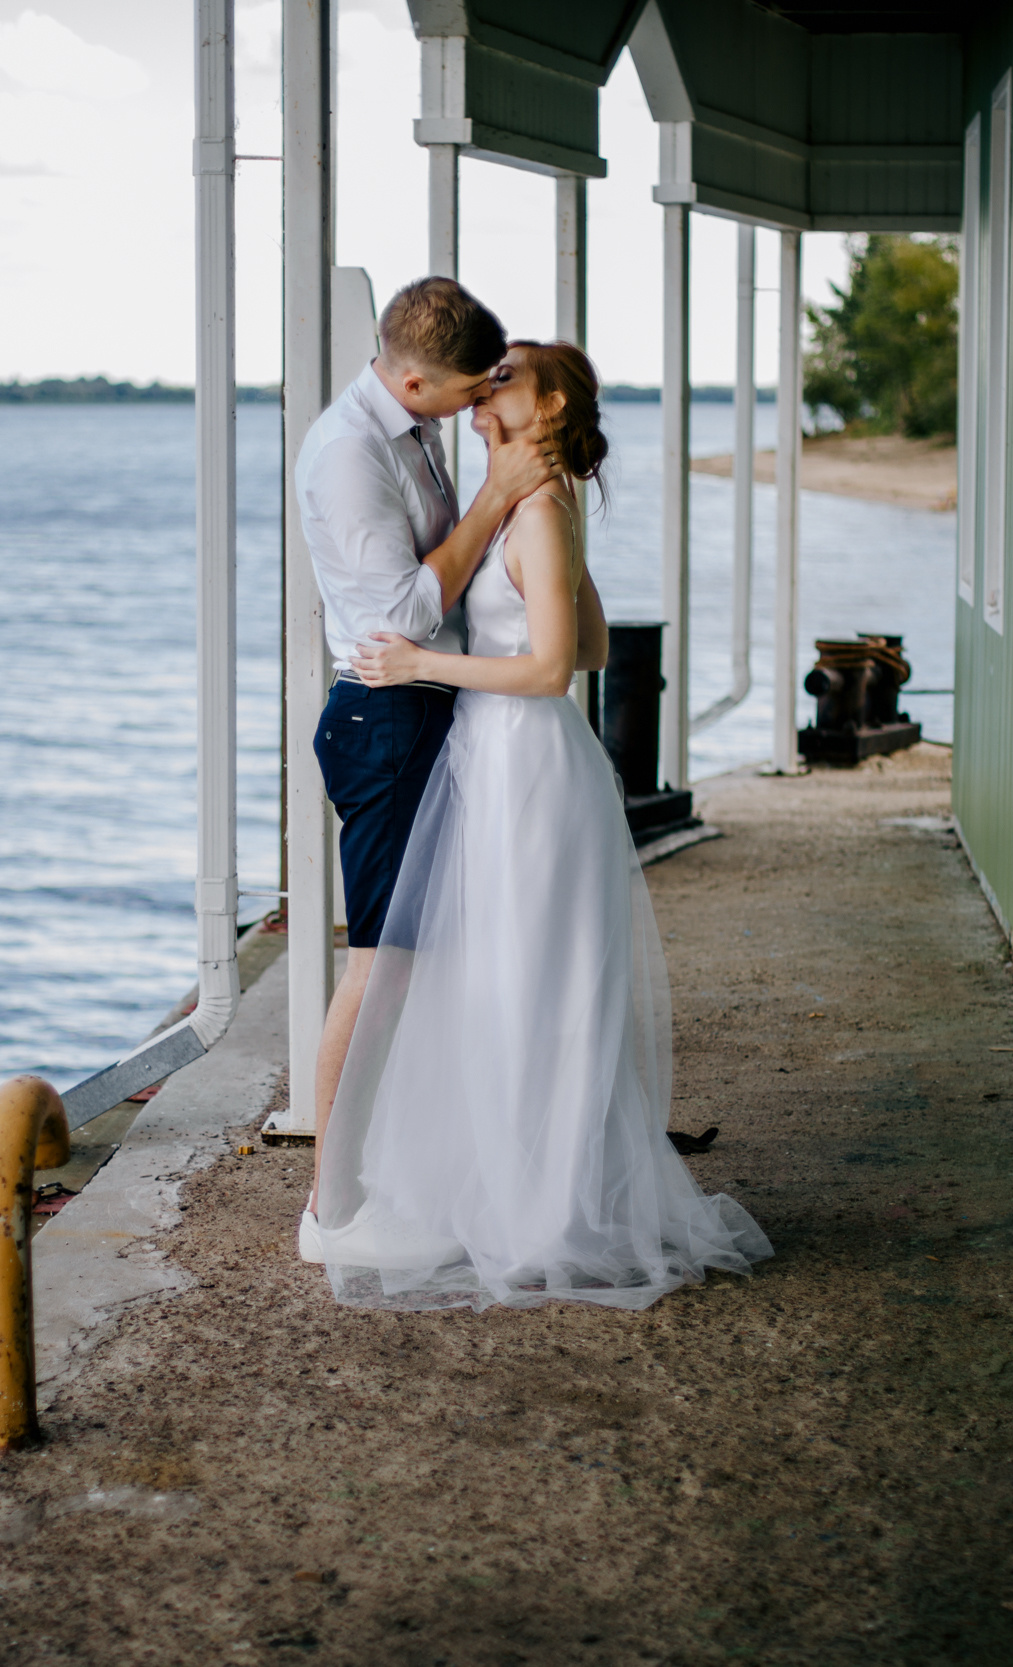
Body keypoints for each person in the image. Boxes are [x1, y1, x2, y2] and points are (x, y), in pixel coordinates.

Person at [310, 341, 775, 1310]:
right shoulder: (534, 506)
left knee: (534, 979)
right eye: (479, 377)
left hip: (522, 760)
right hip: (495, 756)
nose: (484, 388)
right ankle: (515, 1193)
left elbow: (555, 669)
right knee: (507, 975)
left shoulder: (541, 509)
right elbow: (594, 638)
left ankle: (543, 1215)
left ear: (552, 402)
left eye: (506, 376)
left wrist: (422, 667)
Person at [293, 278, 559, 1255]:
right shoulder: (347, 455)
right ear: (410, 378)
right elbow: (401, 614)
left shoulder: (417, 423)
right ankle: (331, 1205)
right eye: (463, 390)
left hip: (435, 706)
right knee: (381, 965)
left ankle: (406, 1172)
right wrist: (496, 494)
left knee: (428, 961)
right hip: (384, 717)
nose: (476, 403)